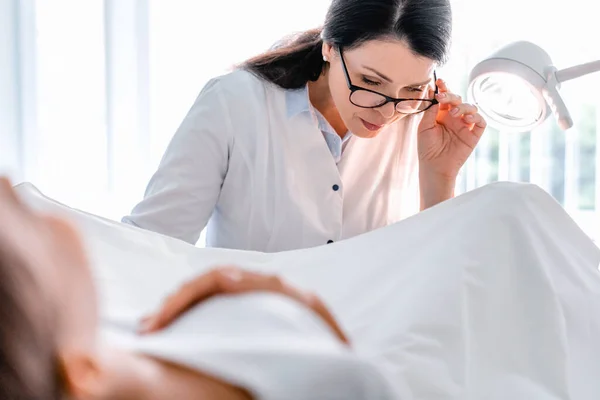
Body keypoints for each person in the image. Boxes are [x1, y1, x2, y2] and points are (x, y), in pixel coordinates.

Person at [6, 174, 600, 399]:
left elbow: (412, 243)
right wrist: (290, 296)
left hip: (369, 277)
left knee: (507, 215)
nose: (20, 188)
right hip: (366, 306)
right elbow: (359, 372)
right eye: (23, 220)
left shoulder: (95, 337)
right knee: (509, 218)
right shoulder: (327, 382)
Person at [122, 0, 487, 252]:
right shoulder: (235, 103)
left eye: (411, 88)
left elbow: (436, 280)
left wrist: (439, 177)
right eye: (370, 82)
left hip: (367, 347)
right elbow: (155, 243)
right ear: (330, 47)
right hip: (243, 342)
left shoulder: (420, 122)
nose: (388, 111)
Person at [0, 176, 393, 400]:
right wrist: (301, 305)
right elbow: (357, 379)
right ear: (83, 373)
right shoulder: (339, 384)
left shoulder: (80, 338)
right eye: (17, 223)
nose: (7, 185)